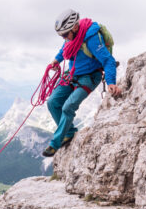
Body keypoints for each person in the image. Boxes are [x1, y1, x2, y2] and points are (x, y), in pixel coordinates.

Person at [42, 9, 122, 157]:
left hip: (89, 77)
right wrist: (56, 60)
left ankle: (55, 143)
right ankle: (69, 131)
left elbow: (108, 60)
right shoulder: (70, 37)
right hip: (72, 74)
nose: (64, 37)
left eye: (65, 34)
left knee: (68, 106)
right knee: (52, 102)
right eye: (61, 35)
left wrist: (111, 82)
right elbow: (65, 47)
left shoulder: (91, 38)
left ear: (74, 27)